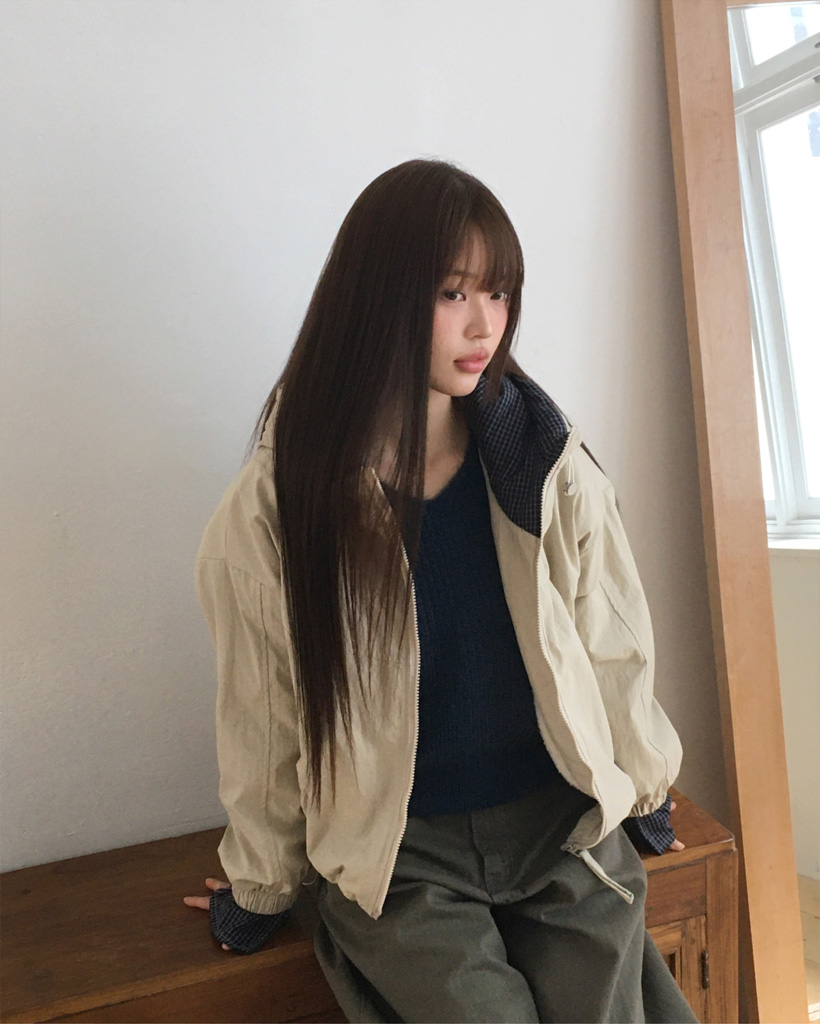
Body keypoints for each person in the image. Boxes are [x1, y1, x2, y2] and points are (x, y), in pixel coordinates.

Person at [183, 158, 699, 1023]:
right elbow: (265, 712)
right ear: (377, 295)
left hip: (556, 824)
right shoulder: (280, 506)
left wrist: (644, 788)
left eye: (499, 294)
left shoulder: (543, 461)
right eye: (454, 293)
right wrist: (261, 884)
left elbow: (611, 637)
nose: (485, 324)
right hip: (400, 855)